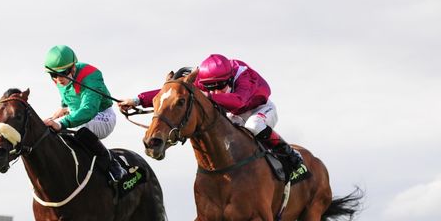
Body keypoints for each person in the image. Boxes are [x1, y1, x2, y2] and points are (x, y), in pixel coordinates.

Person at [119, 54, 305, 172]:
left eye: (219, 87)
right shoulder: (204, 77)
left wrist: (203, 93)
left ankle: (288, 154)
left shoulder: (244, 76)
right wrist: (136, 100)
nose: (215, 91)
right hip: (234, 115)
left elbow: (239, 101)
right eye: (209, 87)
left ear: (229, 77)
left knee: (253, 126)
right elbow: (171, 92)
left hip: (259, 110)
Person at [43, 45, 126, 184]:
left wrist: (61, 122)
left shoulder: (91, 75)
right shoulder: (58, 79)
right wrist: (63, 108)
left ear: (73, 67)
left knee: (78, 125)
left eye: (63, 73)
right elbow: (67, 96)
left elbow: (89, 110)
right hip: (77, 115)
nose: (58, 79)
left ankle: (112, 163)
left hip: (102, 116)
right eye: (54, 75)